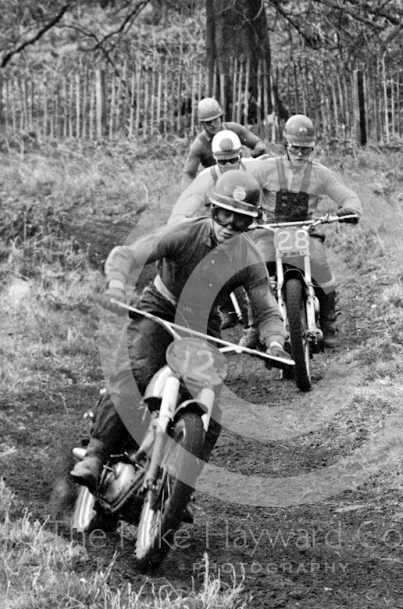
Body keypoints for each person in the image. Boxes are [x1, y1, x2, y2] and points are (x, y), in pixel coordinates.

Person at [71, 172, 287, 491]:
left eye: (239, 220)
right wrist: (117, 288)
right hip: (160, 306)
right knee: (136, 372)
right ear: (212, 209)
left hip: (201, 325)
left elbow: (268, 309)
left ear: (250, 224)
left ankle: (180, 488)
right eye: (224, 214)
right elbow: (127, 255)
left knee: (210, 410)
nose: (229, 224)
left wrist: (275, 343)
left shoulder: (249, 258)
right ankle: (97, 454)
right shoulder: (184, 233)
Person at [243, 114, 362, 348]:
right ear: (286, 144)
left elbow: (347, 195)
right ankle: (254, 326)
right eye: (295, 147)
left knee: (321, 269)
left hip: (306, 231)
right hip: (270, 231)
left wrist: (349, 210)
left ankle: (327, 324)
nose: (299, 153)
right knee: (257, 270)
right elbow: (242, 188)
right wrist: (246, 211)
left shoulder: (320, 173)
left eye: (305, 149)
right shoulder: (265, 169)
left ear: (312, 149)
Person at [169, 129, 260, 330]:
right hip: (221, 231)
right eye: (222, 162)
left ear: (240, 156)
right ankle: (227, 311)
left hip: (250, 227)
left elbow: (283, 171)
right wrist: (179, 228)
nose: (228, 166)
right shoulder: (205, 178)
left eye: (232, 160)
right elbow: (183, 207)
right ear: (215, 161)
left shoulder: (255, 169)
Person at [181, 97, 268, 190]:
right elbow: (188, 174)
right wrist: (187, 196)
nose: (213, 124)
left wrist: (259, 150)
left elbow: (258, 143)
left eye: (215, 119)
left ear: (221, 117)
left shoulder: (234, 129)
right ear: (202, 124)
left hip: (242, 180)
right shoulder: (199, 145)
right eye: (208, 122)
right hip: (218, 187)